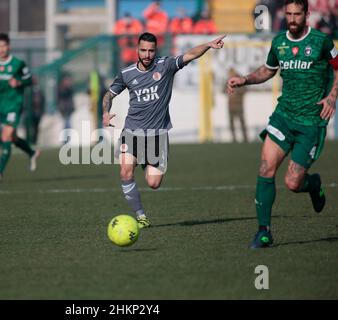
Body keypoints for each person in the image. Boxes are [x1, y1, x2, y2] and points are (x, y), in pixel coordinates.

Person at [227, 0, 337, 249]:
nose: (292, 19)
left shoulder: (322, 41)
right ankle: (263, 232)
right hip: (283, 116)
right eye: (288, 14)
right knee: (265, 168)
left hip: (311, 121)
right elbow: (268, 70)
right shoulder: (279, 42)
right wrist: (243, 79)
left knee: (292, 183)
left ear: (307, 14)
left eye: (297, 14)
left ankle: (313, 184)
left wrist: (332, 97)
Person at [103, 32, 225, 228]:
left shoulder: (166, 66)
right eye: (143, 50)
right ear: (137, 50)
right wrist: (105, 113)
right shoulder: (126, 74)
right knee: (125, 172)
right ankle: (141, 216)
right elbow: (108, 95)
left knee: (154, 183)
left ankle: (145, 161)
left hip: (157, 136)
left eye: (151, 51)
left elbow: (190, 54)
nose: (147, 54)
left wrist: (208, 45)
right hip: (131, 132)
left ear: (155, 51)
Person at [0, 32, 41, 182]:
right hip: (1, 105)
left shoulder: (18, 64)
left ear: (9, 46)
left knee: (6, 136)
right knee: (13, 138)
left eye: (4, 46)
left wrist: (19, 83)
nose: (2, 49)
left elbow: (30, 80)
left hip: (15, 104)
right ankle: (31, 152)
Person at [224, 68, 248, 143]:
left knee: (242, 122)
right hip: (230, 105)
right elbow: (223, 90)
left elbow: (245, 90)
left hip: (238, 105)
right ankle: (234, 139)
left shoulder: (239, 80)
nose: (230, 75)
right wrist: (227, 91)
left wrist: (236, 92)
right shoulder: (228, 81)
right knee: (231, 123)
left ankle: (245, 139)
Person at [57, 74, 75, 144]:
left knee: (68, 124)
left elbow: (71, 97)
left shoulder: (70, 89)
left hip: (69, 109)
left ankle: (67, 139)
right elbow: (61, 96)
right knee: (67, 124)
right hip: (64, 109)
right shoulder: (61, 89)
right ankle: (65, 140)